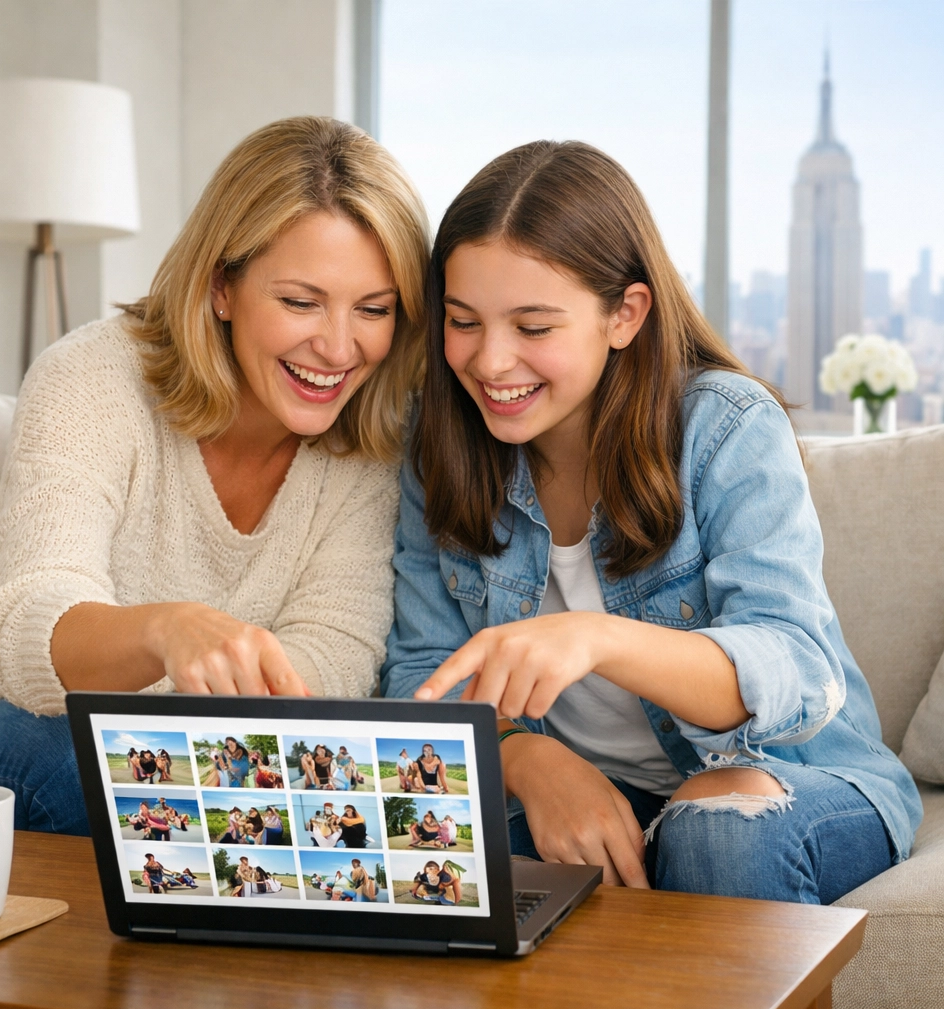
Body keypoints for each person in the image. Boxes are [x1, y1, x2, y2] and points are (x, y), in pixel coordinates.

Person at [381, 140, 922, 904]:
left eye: (533, 328)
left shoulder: (725, 426)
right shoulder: (440, 443)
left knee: (716, 831)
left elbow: (795, 665)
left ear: (624, 315)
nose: (491, 362)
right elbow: (420, 675)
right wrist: (531, 764)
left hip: (795, 779)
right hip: (599, 792)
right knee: (414, 844)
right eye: (464, 321)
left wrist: (599, 638)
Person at [0, 116, 430, 836]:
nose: (339, 347)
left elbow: (335, 658)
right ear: (223, 286)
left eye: (374, 310)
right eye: (300, 302)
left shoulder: (376, 437)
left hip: (205, 764)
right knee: (107, 775)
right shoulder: (90, 379)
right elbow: (30, 621)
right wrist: (168, 632)